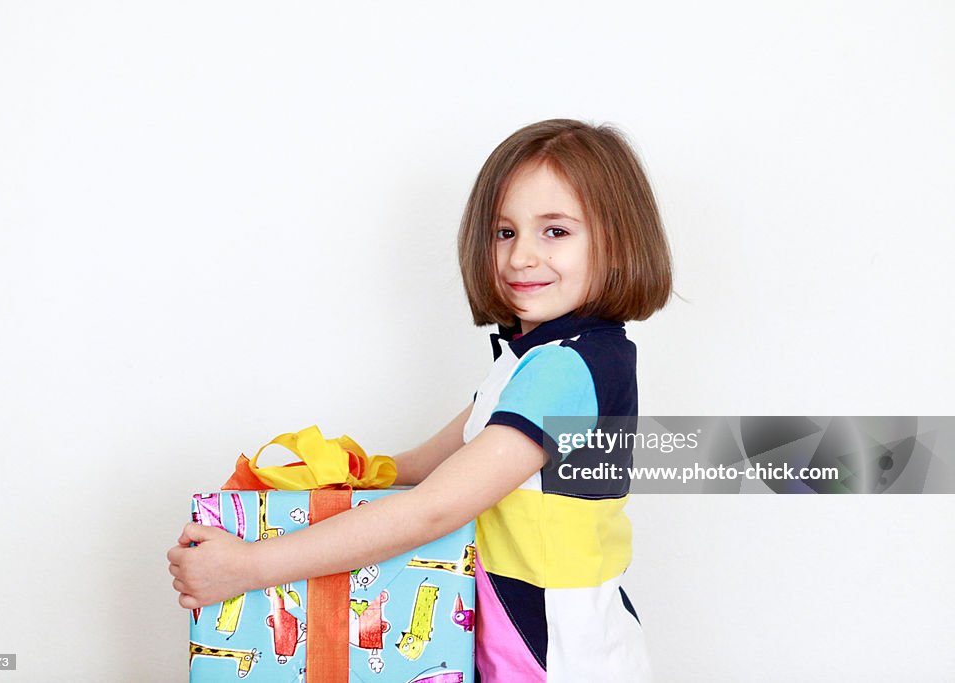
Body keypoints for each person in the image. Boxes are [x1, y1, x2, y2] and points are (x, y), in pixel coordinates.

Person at [168, 118, 672, 681]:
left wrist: (250, 567)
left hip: (560, 656)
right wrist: (355, 472)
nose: (520, 257)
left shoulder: (567, 366)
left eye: (555, 231)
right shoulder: (531, 358)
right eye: (505, 232)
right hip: (524, 645)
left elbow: (434, 507)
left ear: (619, 240)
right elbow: (437, 459)